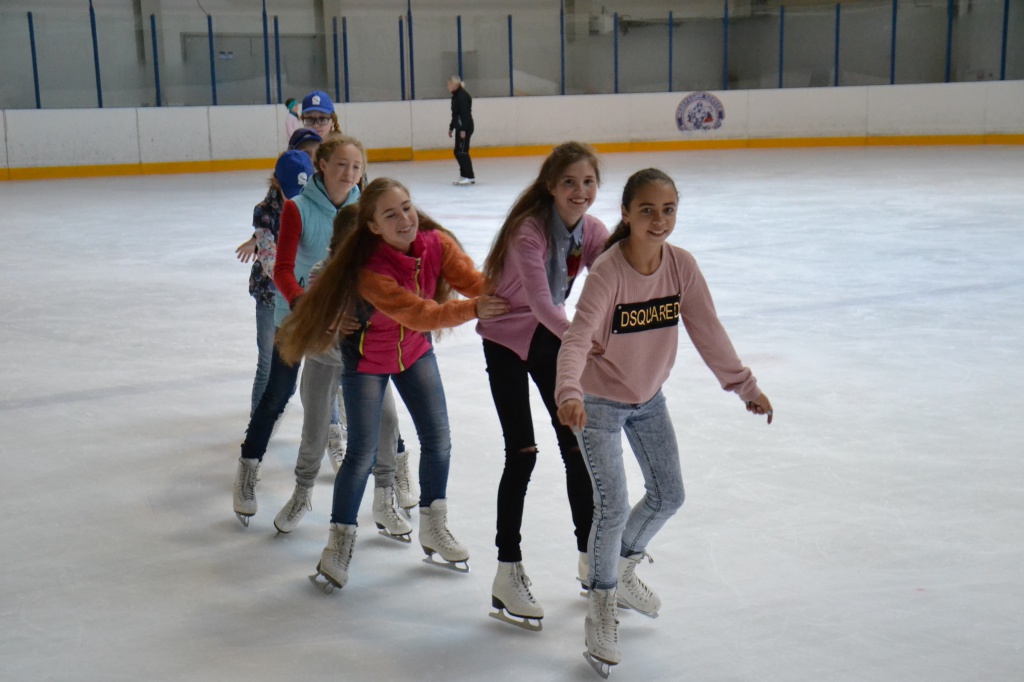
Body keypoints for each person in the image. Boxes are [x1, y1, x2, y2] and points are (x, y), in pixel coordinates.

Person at [554, 168, 774, 675]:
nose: (659, 220)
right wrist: (569, 392)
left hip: (649, 399)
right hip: (598, 403)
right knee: (611, 507)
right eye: (647, 210)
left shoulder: (681, 267)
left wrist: (744, 387)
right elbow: (577, 337)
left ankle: (622, 564)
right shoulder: (608, 272)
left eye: (668, 210)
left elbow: (708, 331)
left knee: (669, 494)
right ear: (626, 213)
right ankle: (602, 602)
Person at [275, 177, 510, 590]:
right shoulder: (370, 271)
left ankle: (433, 526)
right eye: (390, 214)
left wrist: (518, 291)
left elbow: (475, 282)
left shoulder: (436, 244)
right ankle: (338, 545)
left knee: (438, 439)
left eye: (406, 207)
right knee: (361, 453)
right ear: (373, 226)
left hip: (415, 353)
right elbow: (420, 313)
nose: (404, 219)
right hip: (368, 361)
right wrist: (475, 309)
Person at [476, 142, 609, 630]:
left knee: (576, 444)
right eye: (569, 182)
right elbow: (540, 302)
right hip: (506, 338)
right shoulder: (529, 232)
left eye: (588, 182)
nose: (580, 191)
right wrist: (585, 342)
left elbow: (613, 282)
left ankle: (591, 556)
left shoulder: (592, 232)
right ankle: (507, 570)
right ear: (550, 186)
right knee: (523, 453)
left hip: (548, 335)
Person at [232, 135, 366, 527]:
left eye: (355, 167)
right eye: (340, 165)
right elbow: (283, 268)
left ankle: (365, 462)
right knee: (278, 393)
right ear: (321, 166)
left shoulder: (363, 206)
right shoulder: (297, 208)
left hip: (342, 317)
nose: (348, 173)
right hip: (295, 314)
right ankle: (248, 468)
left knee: (356, 390)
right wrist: (302, 303)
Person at [272, 205, 411, 538]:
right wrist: (335, 321)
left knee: (387, 423)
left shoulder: (381, 272)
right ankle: (302, 493)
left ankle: (384, 498)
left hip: (368, 363)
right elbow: (317, 311)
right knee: (315, 429)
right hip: (324, 358)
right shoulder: (323, 271)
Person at [234, 130, 322, 417]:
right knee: (269, 363)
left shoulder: (316, 205)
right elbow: (270, 257)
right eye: (290, 192)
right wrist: (293, 282)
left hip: (306, 295)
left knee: (320, 363)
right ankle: (258, 422)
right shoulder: (265, 211)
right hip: (271, 296)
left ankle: (330, 424)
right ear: (277, 183)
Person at [447, 76, 475, 186]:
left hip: (465, 127)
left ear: (455, 85)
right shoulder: (456, 96)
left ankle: (469, 176)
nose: (448, 87)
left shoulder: (462, 96)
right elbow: (455, 114)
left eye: (449, 84)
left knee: (462, 151)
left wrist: (463, 129)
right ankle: (464, 175)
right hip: (459, 127)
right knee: (458, 151)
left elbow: (465, 114)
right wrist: (451, 127)